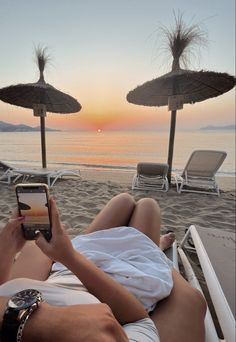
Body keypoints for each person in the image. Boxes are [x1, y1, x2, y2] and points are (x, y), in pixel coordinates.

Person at [0, 193, 206, 341]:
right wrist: (69, 256)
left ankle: (153, 247)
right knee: (147, 205)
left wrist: (8, 246)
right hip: (129, 281)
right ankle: (156, 248)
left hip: (70, 270)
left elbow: (14, 277)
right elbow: (141, 319)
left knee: (123, 201)